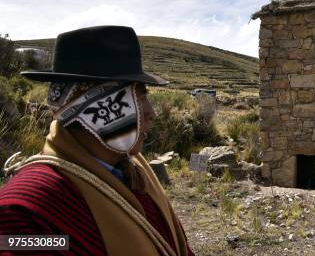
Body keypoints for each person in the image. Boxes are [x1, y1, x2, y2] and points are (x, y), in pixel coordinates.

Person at [0, 26, 194, 256]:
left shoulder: (135, 173)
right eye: (139, 97)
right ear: (99, 108)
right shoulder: (24, 211)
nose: (152, 113)